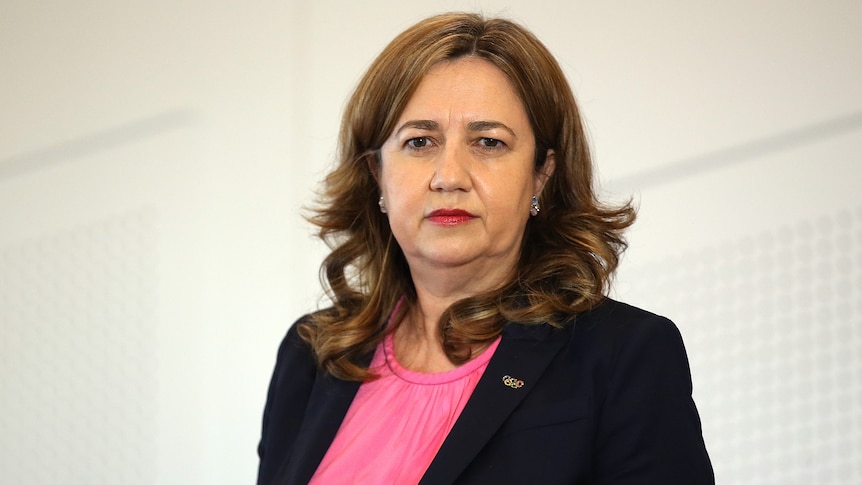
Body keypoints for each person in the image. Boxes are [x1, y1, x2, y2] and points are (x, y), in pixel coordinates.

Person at [257, 12, 714, 485]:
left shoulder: (623, 355)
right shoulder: (313, 352)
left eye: (488, 142)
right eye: (419, 141)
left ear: (542, 173)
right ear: (377, 175)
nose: (449, 176)